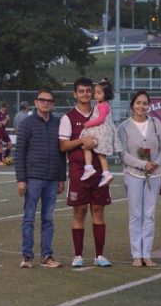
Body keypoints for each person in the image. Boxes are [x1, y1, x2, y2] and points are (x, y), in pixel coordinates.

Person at [59, 77, 113, 268]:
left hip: (99, 171)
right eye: (80, 91)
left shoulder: (101, 111)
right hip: (78, 172)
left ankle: (100, 255)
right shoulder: (68, 117)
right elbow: (63, 145)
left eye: (88, 90)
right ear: (75, 94)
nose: (85, 94)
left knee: (98, 210)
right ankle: (78, 255)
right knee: (79, 211)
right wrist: (83, 141)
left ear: (93, 92)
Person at [117, 91, 161, 267]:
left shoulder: (156, 123)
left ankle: (147, 253)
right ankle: (136, 254)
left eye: (145, 103)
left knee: (149, 215)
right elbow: (122, 153)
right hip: (133, 175)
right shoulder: (124, 127)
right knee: (135, 214)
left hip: (154, 175)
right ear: (132, 105)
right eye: (138, 103)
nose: (142, 106)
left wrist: (156, 162)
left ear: (149, 105)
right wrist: (141, 164)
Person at [15, 90, 64, 268]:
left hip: (52, 178)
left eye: (49, 101)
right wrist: (21, 180)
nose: (46, 103)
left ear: (53, 103)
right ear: (36, 102)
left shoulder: (58, 123)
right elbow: (19, 153)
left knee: (48, 219)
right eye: (42, 100)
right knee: (28, 218)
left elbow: (61, 152)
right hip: (33, 178)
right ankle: (27, 256)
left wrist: (61, 178)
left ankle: (47, 255)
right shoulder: (27, 123)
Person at [79, 79, 118, 187]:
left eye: (99, 93)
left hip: (100, 131)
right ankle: (106, 173)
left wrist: (88, 124)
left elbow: (101, 119)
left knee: (86, 145)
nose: (95, 95)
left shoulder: (102, 105)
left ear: (106, 94)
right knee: (101, 155)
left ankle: (89, 167)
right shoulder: (103, 103)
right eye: (95, 92)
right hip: (103, 131)